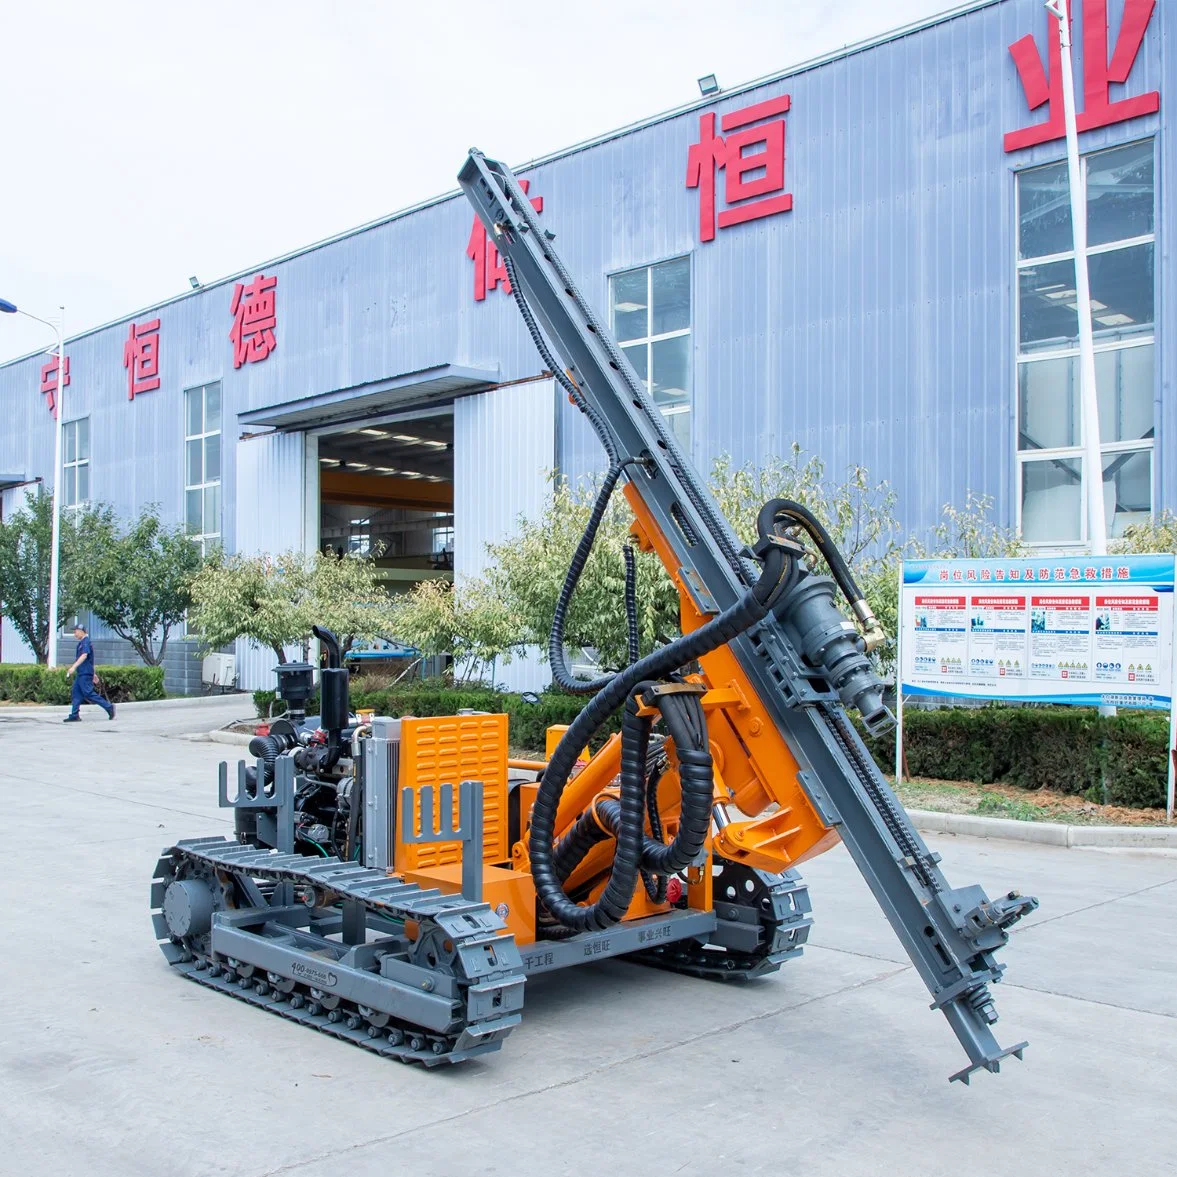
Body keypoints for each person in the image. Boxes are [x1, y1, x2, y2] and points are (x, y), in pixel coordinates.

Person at [63, 623, 115, 722]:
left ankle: (109, 707)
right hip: (82, 673)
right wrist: (94, 674)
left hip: (85, 673)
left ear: (81, 631)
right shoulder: (82, 642)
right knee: (76, 693)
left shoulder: (85, 642)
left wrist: (73, 667)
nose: (75, 634)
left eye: (75, 632)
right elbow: (91, 660)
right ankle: (74, 715)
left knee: (88, 693)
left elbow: (84, 656)